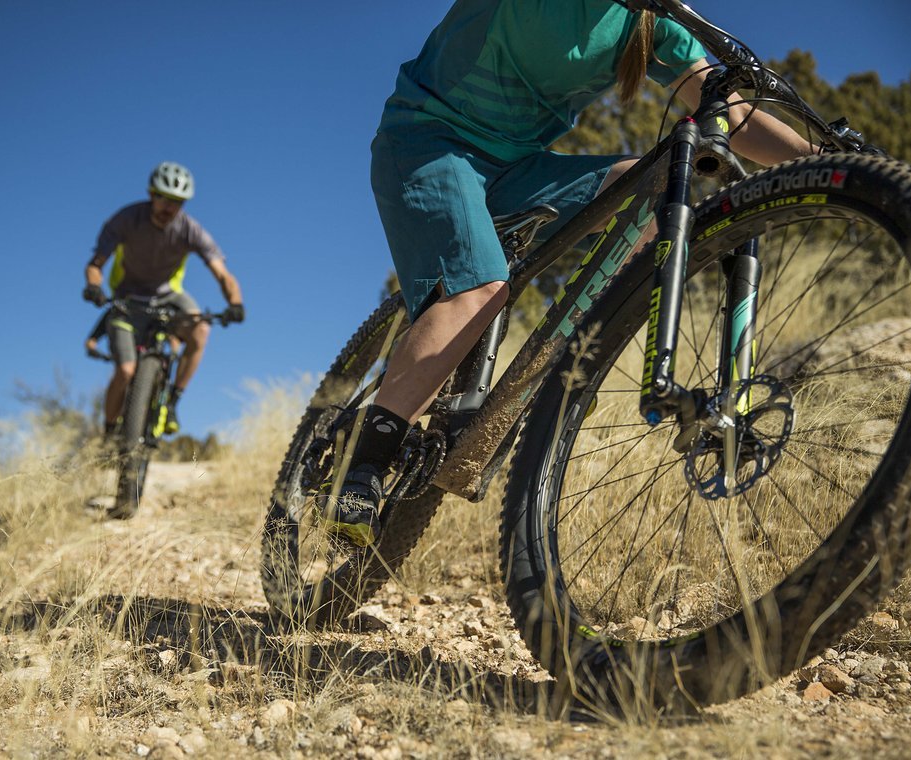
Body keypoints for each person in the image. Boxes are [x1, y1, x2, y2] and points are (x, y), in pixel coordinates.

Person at [324, 0, 817, 546]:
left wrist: (816, 155)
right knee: (482, 288)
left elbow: (730, 114)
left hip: (521, 167)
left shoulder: (649, 22)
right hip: (426, 143)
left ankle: (563, 354)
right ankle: (363, 461)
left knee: (649, 185)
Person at [83, 161, 244, 436]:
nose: (170, 207)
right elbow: (95, 265)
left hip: (168, 296)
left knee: (201, 329)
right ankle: (109, 434)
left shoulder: (189, 230)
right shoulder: (126, 220)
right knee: (125, 370)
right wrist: (94, 287)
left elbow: (222, 274)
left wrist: (235, 303)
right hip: (128, 298)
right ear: (151, 194)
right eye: (164, 199)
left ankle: (171, 401)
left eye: (178, 202)